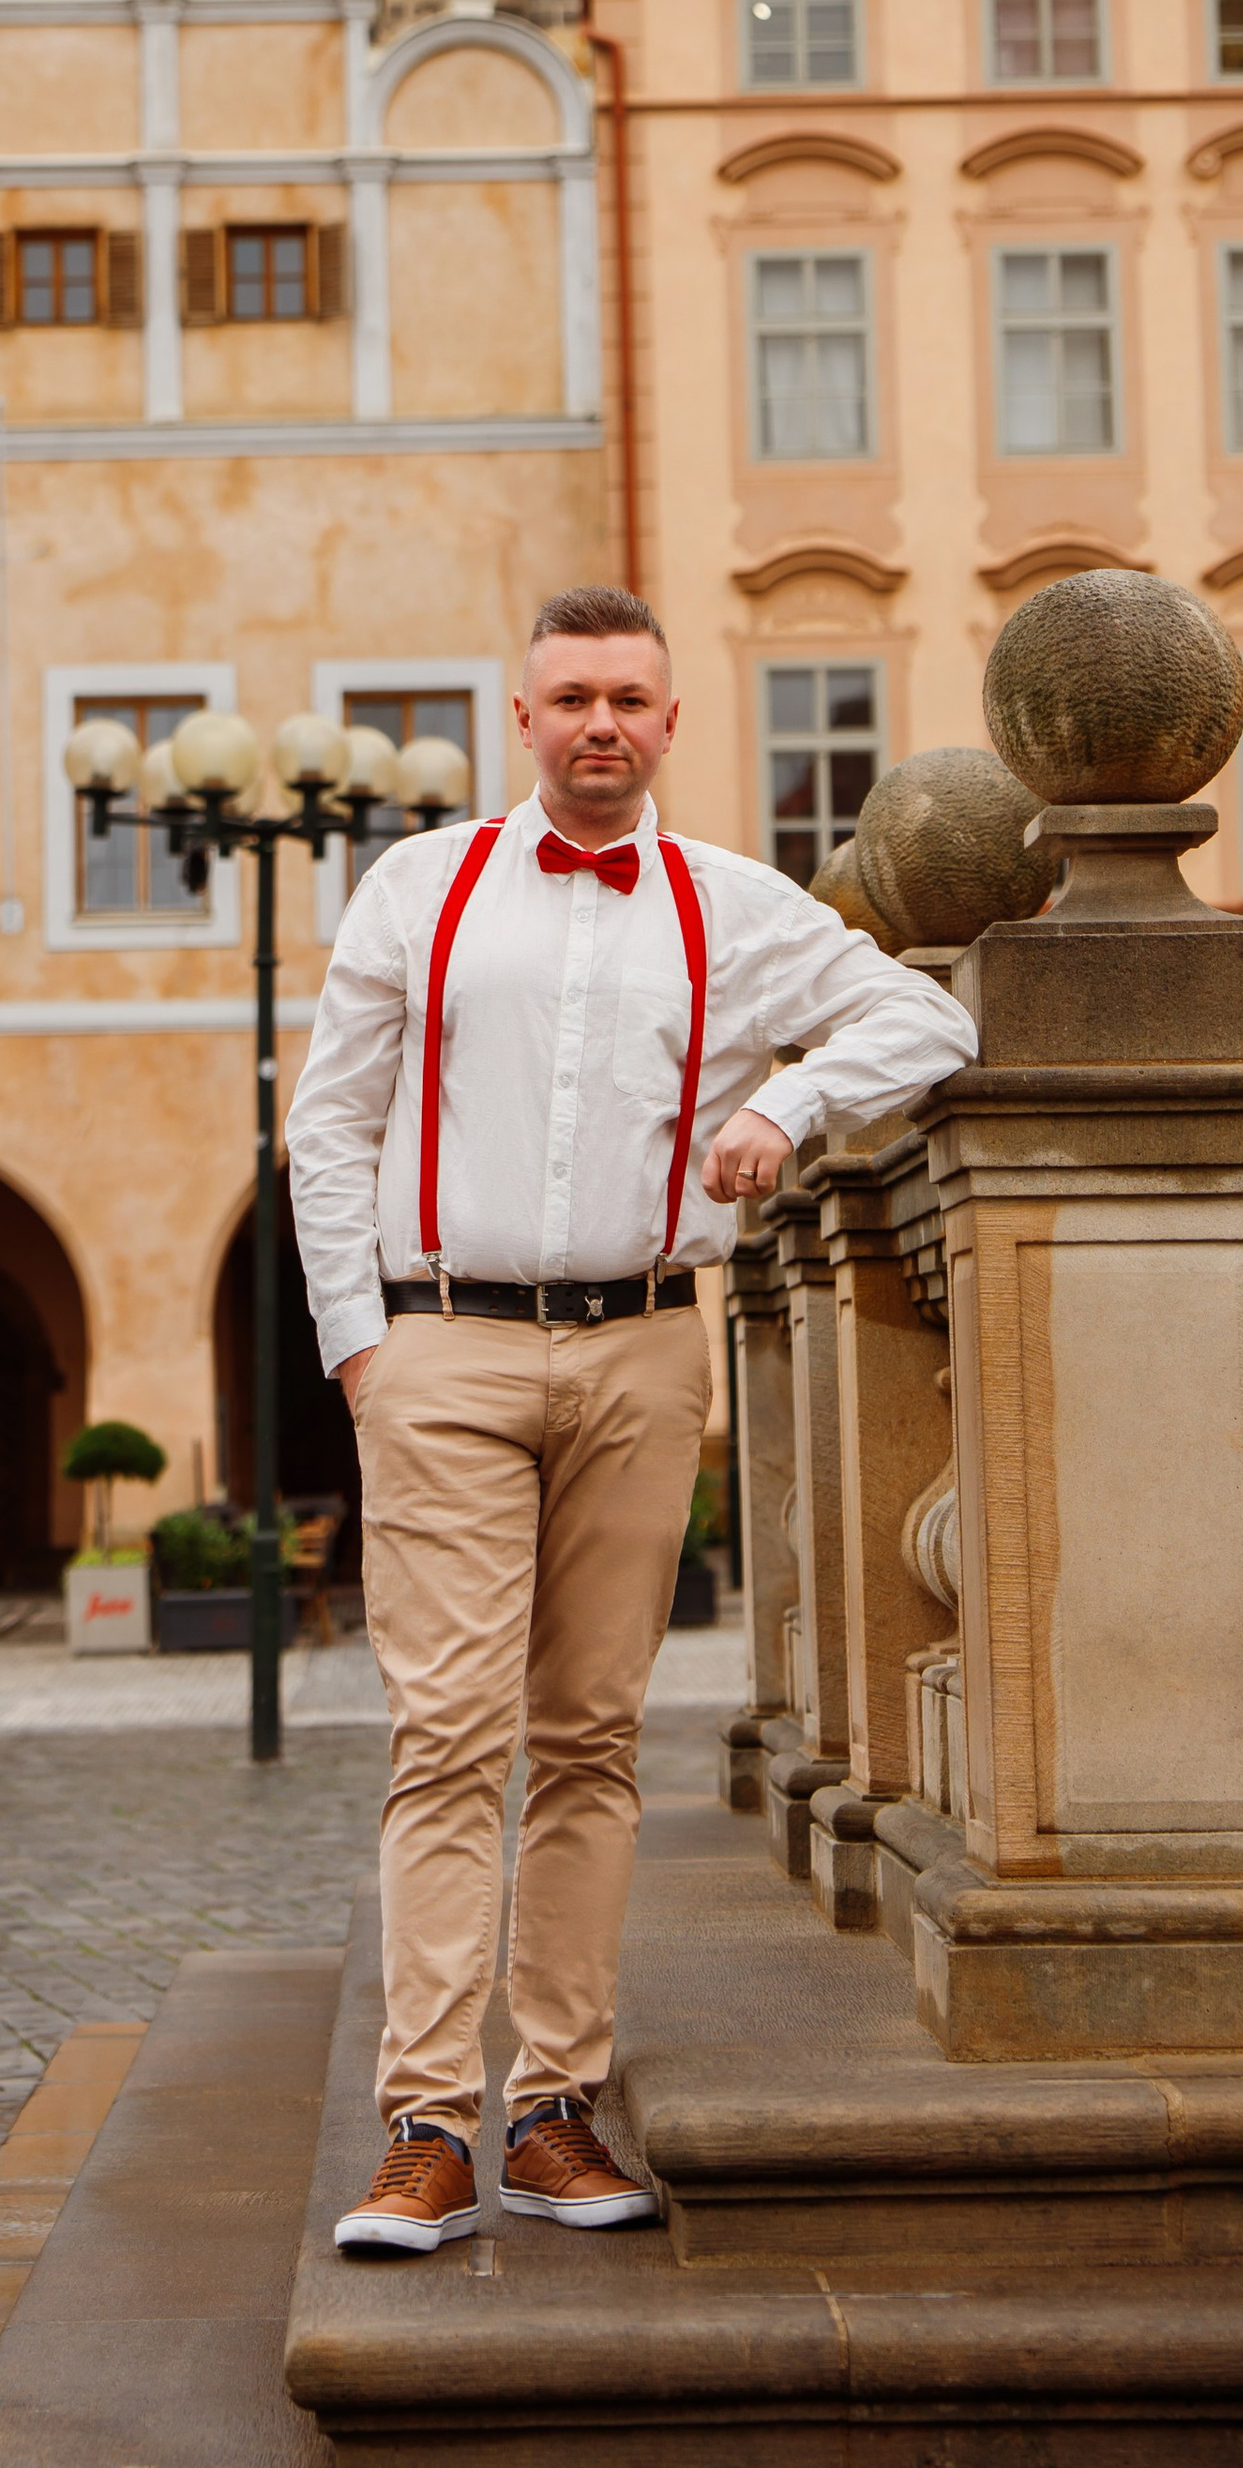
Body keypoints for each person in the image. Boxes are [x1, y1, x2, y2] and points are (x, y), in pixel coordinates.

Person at [287, 587, 975, 2257]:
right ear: (525, 718)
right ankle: (425, 2127)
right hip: (442, 1344)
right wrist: (363, 1354)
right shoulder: (418, 884)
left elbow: (933, 1015)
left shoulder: (734, 906)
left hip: (650, 1348)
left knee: (593, 1736)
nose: (603, 722)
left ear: (673, 723)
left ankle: (554, 2110)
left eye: (631, 698)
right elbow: (327, 1126)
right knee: (447, 1736)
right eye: (573, 695)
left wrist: (787, 1099)